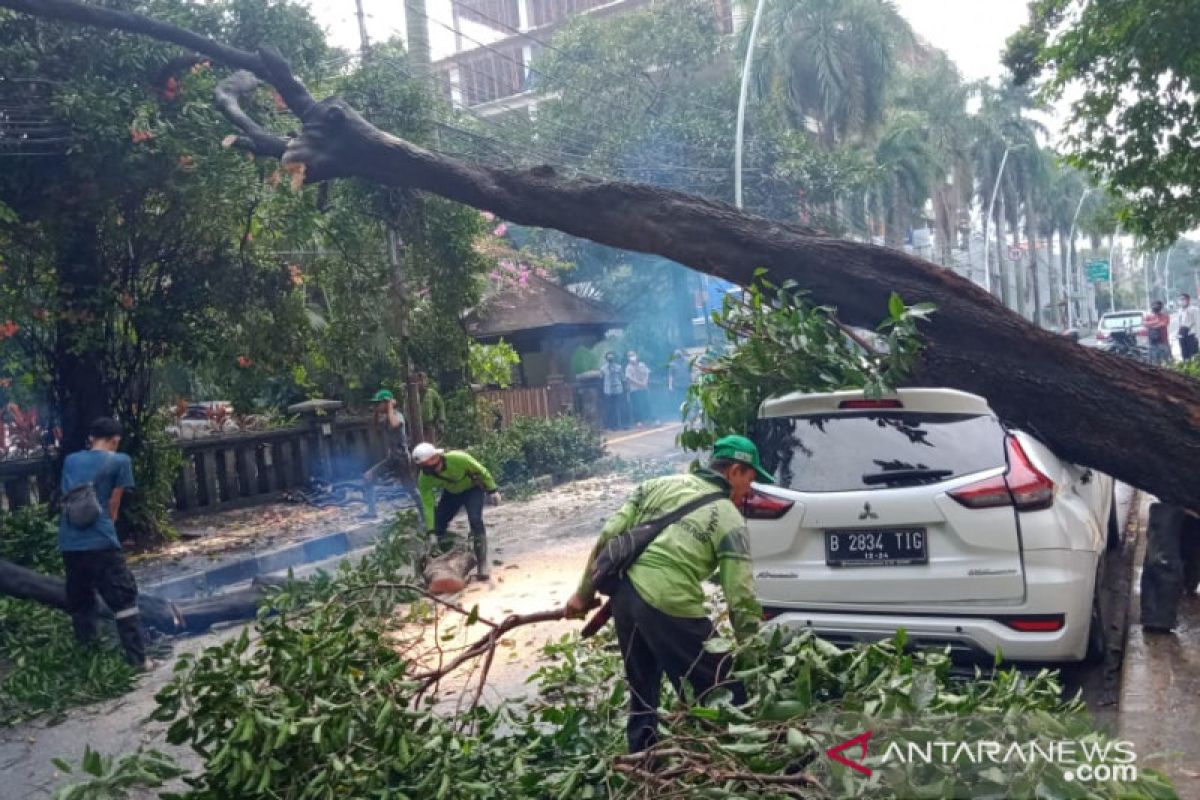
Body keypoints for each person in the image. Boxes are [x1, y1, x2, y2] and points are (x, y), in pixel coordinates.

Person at [564, 434, 770, 753]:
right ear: (733, 472)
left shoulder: (657, 485)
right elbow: (740, 595)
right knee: (723, 686)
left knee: (643, 689)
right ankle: (742, 757)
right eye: (750, 478)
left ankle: (643, 759)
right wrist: (752, 649)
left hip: (625, 597)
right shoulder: (730, 520)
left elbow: (609, 535)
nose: (750, 489)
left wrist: (582, 593)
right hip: (667, 602)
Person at [58, 417, 148, 669]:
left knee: (81, 600)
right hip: (101, 541)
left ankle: (90, 661)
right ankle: (138, 659)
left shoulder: (70, 460)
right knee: (123, 598)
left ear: (90, 438)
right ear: (115, 440)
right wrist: (110, 528)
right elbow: (113, 504)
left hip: (69, 542)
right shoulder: (120, 461)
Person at [413, 442, 501, 581]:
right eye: (427, 468)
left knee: (475, 520)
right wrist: (431, 532)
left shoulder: (458, 458)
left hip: (472, 489)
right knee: (438, 525)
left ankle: (482, 563)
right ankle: (438, 566)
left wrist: (493, 490)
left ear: (437, 457)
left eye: (433, 465)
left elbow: (481, 470)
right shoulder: (424, 479)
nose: (434, 471)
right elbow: (428, 505)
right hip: (451, 494)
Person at [363, 388, 409, 518]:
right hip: (392, 457)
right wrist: (377, 412)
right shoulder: (387, 417)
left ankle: (425, 517)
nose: (377, 406)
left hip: (402, 457)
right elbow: (376, 426)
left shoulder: (397, 415)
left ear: (387, 403)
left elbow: (394, 424)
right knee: (368, 476)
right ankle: (372, 512)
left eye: (379, 403)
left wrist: (389, 406)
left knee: (411, 489)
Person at [415, 372, 447, 443]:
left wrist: (441, 421)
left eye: (424, 380)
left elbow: (440, 405)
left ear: (426, 381)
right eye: (419, 381)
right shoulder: (412, 394)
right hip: (416, 427)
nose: (422, 383)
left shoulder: (431, 393)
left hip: (429, 425)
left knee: (431, 447)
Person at [600, 351, 626, 430]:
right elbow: (601, 378)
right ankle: (612, 425)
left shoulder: (619, 367)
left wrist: (625, 387)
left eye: (612, 357)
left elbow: (622, 378)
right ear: (606, 359)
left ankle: (622, 424)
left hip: (618, 389)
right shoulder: (603, 368)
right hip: (608, 391)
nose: (610, 359)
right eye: (609, 358)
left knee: (619, 407)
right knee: (610, 408)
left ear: (614, 358)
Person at [625, 350, 651, 427]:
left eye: (633, 355)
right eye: (630, 356)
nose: (632, 357)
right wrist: (640, 384)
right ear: (628, 358)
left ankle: (649, 419)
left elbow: (647, 373)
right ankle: (639, 421)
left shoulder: (642, 364)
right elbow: (629, 379)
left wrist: (645, 382)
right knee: (637, 406)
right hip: (634, 389)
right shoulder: (628, 367)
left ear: (636, 355)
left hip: (644, 388)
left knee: (646, 403)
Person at [1145, 301, 1173, 365]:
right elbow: (1145, 324)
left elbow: (1164, 324)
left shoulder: (1165, 316)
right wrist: (1156, 322)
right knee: (1154, 361)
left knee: (1167, 360)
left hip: (1163, 341)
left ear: (1160, 307)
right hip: (1152, 342)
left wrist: (1152, 325)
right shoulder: (1148, 316)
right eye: (1154, 306)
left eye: (1157, 306)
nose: (1155, 307)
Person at [667, 349, 692, 418]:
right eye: (677, 356)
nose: (679, 357)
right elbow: (670, 376)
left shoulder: (687, 362)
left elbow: (689, 373)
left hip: (687, 384)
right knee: (679, 401)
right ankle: (681, 415)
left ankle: (689, 414)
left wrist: (691, 381)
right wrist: (670, 385)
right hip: (678, 386)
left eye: (679, 356)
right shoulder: (672, 364)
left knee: (688, 400)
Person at [1178, 293, 1199, 361]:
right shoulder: (1180, 310)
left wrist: (1197, 336)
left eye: (1183, 299)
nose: (1182, 301)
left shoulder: (1194, 309)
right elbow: (1180, 323)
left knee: (1193, 355)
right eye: (1180, 299)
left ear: (1188, 300)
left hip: (1191, 335)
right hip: (1182, 335)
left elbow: (1198, 322)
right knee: (1184, 354)